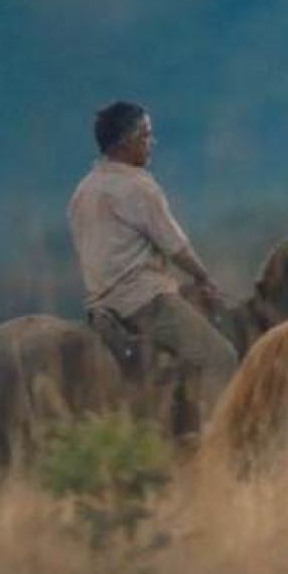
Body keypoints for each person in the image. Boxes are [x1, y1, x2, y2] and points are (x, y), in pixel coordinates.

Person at [67, 100, 239, 443]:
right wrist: (203, 277)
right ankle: (216, 445)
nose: (151, 143)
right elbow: (176, 246)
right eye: (145, 135)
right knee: (221, 357)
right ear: (125, 143)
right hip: (145, 301)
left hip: (101, 305)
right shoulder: (138, 187)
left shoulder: (82, 191)